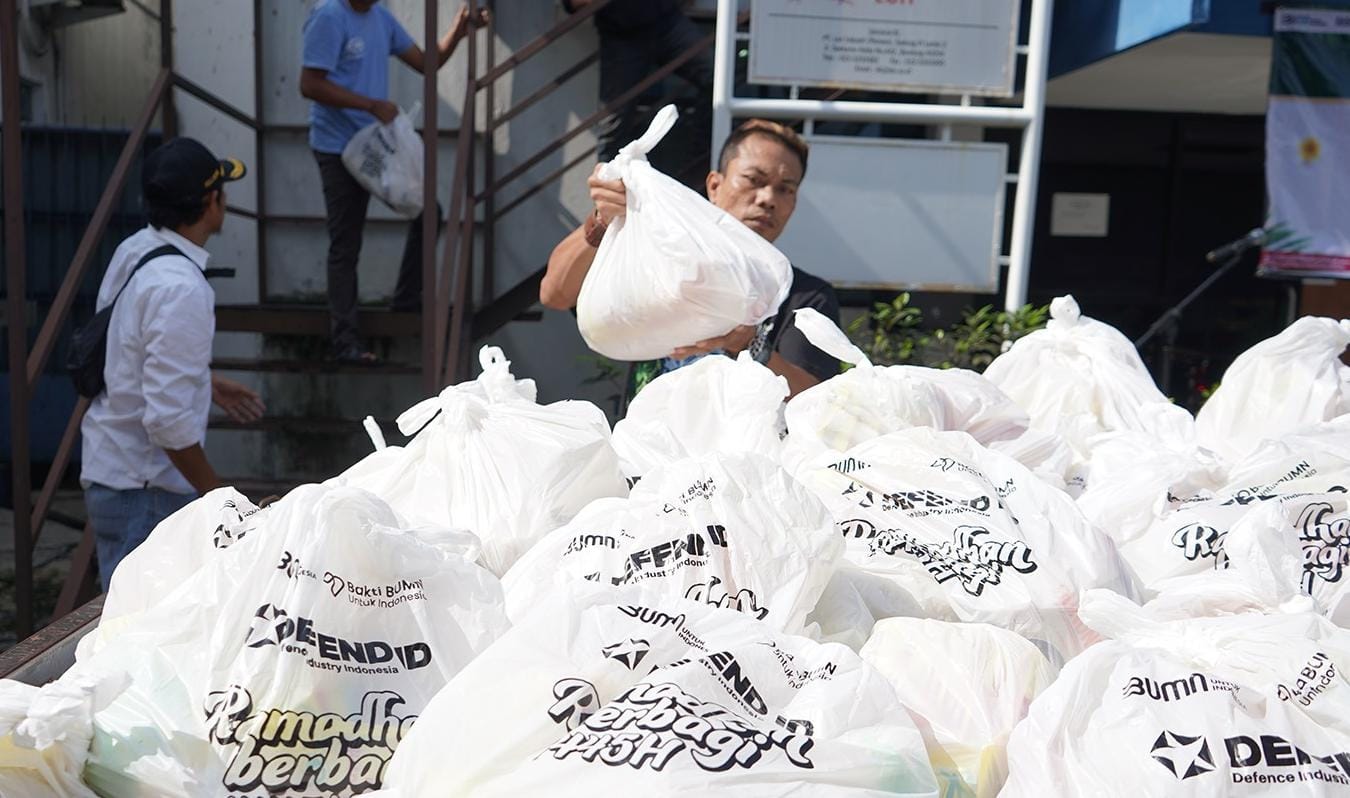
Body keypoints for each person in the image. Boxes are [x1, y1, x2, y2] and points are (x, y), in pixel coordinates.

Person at [81, 138, 267, 590]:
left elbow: (124, 347)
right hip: (146, 493)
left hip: (115, 472)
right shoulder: (182, 288)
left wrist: (204, 382)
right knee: (143, 643)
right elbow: (167, 422)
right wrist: (222, 500)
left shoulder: (137, 249)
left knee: (128, 629)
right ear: (210, 201)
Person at [542, 119, 841, 398]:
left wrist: (747, 343)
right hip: (642, 450)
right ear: (714, 186)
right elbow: (554, 294)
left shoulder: (805, 298)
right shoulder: (660, 264)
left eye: (785, 189)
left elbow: (817, 403)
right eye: (753, 179)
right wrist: (604, 220)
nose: (768, 199)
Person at [300, 0, 488, 363]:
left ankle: (405, 299)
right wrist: (369, 104)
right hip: (338, 147)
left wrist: (460, 29)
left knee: (427, 213)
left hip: (374, 144)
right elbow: (309, 84)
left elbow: (426, 62)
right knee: (346, 242)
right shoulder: (329, 16)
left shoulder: (380, 16)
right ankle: (346, 343)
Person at [563, 0, 714, 164]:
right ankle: (608, 182)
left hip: (666, 20)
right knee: (613, 124)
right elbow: (573, 3)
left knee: (718, 76)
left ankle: (703, 156)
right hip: (621, 37)